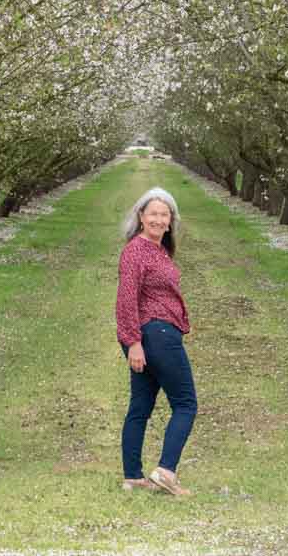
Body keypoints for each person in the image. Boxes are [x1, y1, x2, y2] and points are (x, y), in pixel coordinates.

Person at [115, 187, 197, 496]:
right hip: (155, 335)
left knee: (141, 405)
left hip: (155, 334)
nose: (159, 219)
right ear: (141, 216)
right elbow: (126, 299)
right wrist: (133, 342)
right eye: (153, 214)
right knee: (186, 404)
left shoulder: (159, 250)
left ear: (171, 219)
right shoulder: (136, 250)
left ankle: (133, 476)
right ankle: (166, 471)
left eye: (165, 214)